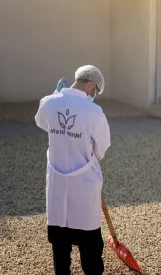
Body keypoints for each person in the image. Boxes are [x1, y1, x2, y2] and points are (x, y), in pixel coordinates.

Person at [35, 65, 111, 275]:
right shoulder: (93, 111)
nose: (93, 95)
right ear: (93, 84)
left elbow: (42, 122)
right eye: (95, 92)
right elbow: (101, 149)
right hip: (84, 185)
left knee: (60, 247)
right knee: (90, 246)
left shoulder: (48, 102)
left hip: (58, 185)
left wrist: (55, 95)